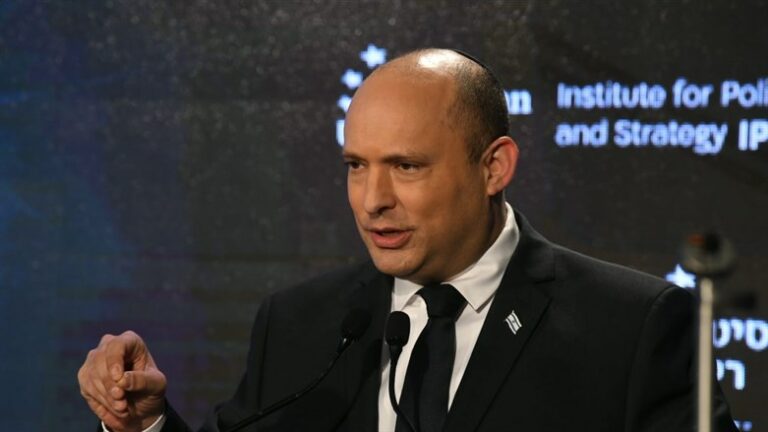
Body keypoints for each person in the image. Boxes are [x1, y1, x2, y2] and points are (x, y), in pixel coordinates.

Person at [78, 48, 738, 432]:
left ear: (494, 168)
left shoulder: (633, 327)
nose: (373, 200)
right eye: (356, 165)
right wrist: (143, 425)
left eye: (407, 166)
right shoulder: (301, 325)